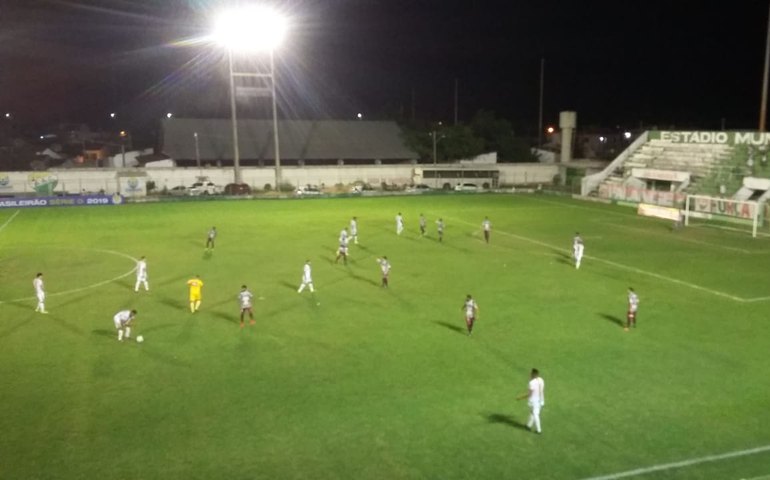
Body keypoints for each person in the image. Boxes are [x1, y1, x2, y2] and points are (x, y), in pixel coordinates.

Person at [517, 368, 545, 434]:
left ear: (533, 374)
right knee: (533, 412)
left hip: (534, 401)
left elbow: (530, 394)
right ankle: (528, 425)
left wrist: (520, 398)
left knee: (535, 414)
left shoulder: (532, 383)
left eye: (531, 373)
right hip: (541, 399)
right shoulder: (541, 380)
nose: (530, 374)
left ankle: (539, 430)